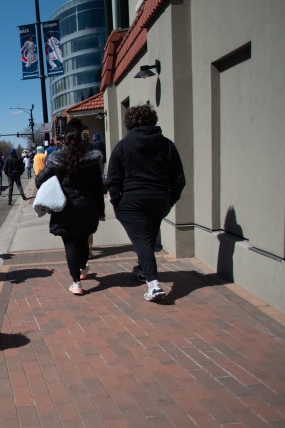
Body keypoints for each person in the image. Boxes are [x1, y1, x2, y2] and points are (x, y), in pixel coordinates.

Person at [107, 104, 185, 302]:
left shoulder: (123, 146)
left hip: (132, 200)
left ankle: (153, 284)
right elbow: (179, 179)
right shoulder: (167, 145)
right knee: (147, 238)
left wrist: (117, 203)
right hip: (159, 198)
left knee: (142, 240)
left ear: (129, 123)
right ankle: (143, 269)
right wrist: (169, 201)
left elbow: (113, 179)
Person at [36, 118, 105, 295]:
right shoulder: (91, 160)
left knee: (70, 244)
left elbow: (39, 180)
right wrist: (101, 210)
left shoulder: (56, 160)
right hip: (87, 207)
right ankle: (82, 268)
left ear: (64, 141)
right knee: (82, 240)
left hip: (65, 208)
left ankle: (76, 282)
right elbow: (98, 188)